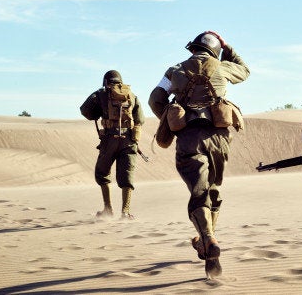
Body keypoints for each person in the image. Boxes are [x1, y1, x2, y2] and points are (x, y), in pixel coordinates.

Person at [148, 31, 250, 278]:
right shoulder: (224, 67)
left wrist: (171, 119)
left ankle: (208, 238)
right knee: (212, 190)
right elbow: (244, 70)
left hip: (189, 139)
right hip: (219, 139)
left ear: (193, 49)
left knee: (198, 193)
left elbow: (154, 99)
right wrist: (229, 48)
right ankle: (209, 254)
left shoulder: (175, 70)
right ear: (216, 50)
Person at [80, 70, 145, 220]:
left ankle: (108, 209)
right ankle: (125, 212)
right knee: (127, 175)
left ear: (105, 81)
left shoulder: (101, 93)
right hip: (129, 141)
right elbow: (140, 119)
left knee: (102, 174)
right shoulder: (131, 95)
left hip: (109, 139)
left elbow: (85, 111)